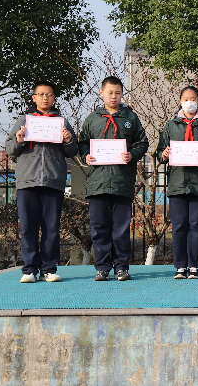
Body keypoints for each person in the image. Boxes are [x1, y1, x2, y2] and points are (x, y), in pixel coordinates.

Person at [5, 81, 77, 283]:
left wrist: (68, 139)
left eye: (50, 95)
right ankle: (29, 270)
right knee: (28, 227)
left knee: (51, 227)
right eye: (41, 94)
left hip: (53, 181)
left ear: (54, 98)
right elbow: (10, 148)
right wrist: (19, 140)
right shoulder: (24, 120)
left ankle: (49, 269)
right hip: (27, 181)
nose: (45, 98)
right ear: (33, 97)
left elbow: (73, 151)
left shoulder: (60, 121)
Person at [78, 76, 148, 282]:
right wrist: (86, 156)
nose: (114, 96)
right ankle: (102, 267)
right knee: (99, 228)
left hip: (122, 182)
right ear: (101, 93)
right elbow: (82, 143)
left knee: (121, 228)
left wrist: (132, 155)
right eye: (110, 92)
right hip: (97, 182)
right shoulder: (92, 118)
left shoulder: (131, 117)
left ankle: (121, 267)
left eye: (118, 93)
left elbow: (142, 142)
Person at [156, 86, 198, 280]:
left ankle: (194, 266)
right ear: (180, 101)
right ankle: (180, 267)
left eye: (193, 99)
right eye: (186, 98)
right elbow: (159, 152)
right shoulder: (171, 126)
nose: (189, 102)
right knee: (178, 226)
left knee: (196, 226)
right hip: (177, 184)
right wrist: (164, 155)